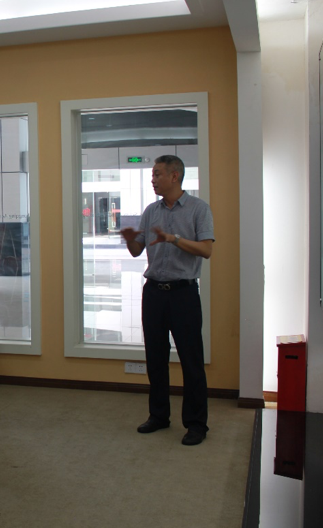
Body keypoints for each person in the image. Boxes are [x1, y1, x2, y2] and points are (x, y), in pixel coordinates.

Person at [120, 155, 214, 446]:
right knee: (156, 358)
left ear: (175, 176)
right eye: (152, 175)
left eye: (158, 174)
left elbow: (206, 250)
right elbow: (137, 251)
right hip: (154, 293)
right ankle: (159, 415)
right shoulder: (151, 211)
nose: (153, 179)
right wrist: (129, 238)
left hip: (183, 293)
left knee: (191, 360)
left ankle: (196, 424)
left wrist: (173, 239)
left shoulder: (199, 209)